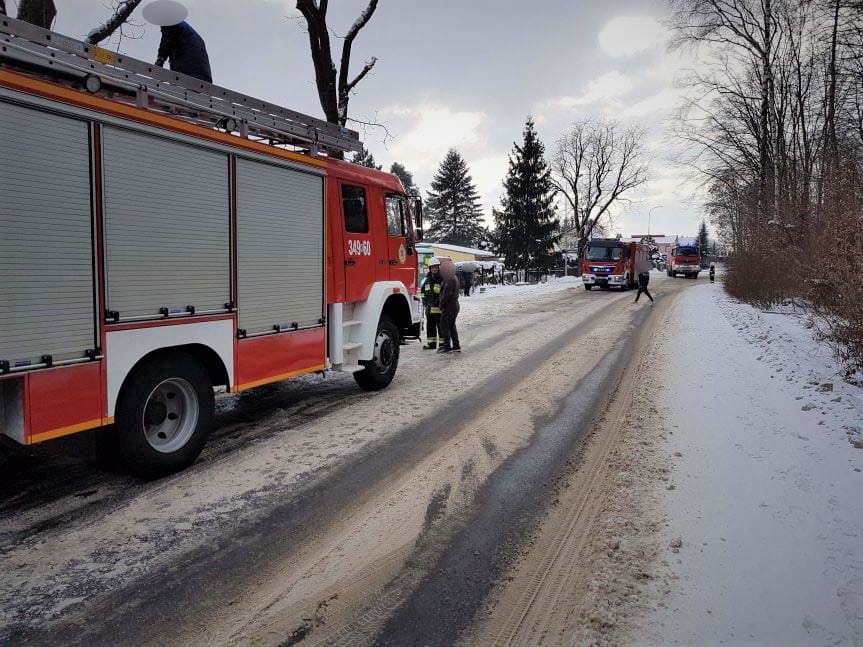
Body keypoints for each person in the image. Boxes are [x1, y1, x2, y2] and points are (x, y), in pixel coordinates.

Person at [143, 1, 212, 83]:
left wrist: (160, 60)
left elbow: (167, 41)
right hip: (202, 75)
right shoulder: (185, 28)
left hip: (189, 72)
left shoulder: (170, 21)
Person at [437, 258, 461, 353]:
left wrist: (441, 305)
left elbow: (446, 295)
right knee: (451, 326)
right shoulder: (454, 277)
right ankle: (456, 345)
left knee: (445, 326)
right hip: (454, 305)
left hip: (449, 307)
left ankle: (447, 346)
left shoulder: (448, 279)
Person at [421, 257, 443, 349]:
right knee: (430, 327)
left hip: (439, 309)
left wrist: (439, 302)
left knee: (441, 328)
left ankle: (443, 344)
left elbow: (443, 293)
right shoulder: (427, 280)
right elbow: (423, 293)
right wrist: (425, 302)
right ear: (430, 268)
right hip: (429, 310)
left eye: (436, 267)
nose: (434, 269)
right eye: (432, 267)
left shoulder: (441, 279)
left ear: (438, 268)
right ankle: (431, 344)